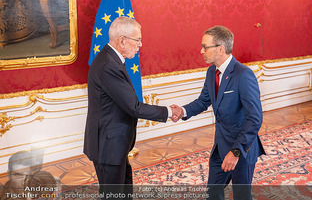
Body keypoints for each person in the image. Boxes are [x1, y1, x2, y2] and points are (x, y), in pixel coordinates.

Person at [83, 16, 181, 199]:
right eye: (137, 40)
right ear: (122, 41)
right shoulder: (108, 66)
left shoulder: (111, 59)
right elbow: (134, 107)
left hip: (115, 144)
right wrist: (169, 112)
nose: (140, 45)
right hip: (108, 146)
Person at [172, 25, 265, 200]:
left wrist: (236, 151)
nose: (201, 51)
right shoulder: (211, 72)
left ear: (220, 49)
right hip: (220, 146)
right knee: (213, 193)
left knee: (242, 197)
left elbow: (254, 118)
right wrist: (182, 111)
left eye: (205, 47)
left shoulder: (243, 75)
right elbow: (203, 101)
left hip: (241, 149)